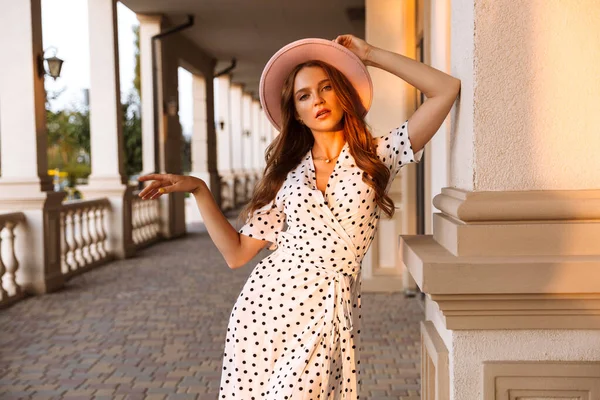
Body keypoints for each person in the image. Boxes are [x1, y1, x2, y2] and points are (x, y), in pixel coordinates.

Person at [138, 34, 460, 400]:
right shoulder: (288, 176)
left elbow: (445, 90)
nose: (318, 100)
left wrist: (369, 55)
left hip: (331, 311)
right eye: (304, 95)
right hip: (266, 309)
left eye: (326, 88)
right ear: (296, 111)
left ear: (343, 95)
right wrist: (199, 189)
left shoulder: (378, 155)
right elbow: (238, 253)